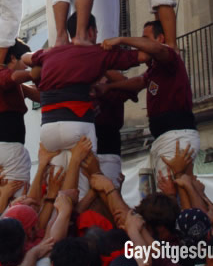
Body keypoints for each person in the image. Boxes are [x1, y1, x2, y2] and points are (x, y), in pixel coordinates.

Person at [21, 12, 147, 183]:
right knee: (89, 186)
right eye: (95, 32)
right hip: (80, 127)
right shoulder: (95, 54)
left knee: (60, 186)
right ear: (90, 31)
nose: (96, 37)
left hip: (51, 128)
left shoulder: (54, 55)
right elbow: (144, 57)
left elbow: (25, 58)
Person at [99, 20, 200, 181]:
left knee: (175, 188)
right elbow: (139, 81)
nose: (142, 45)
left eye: (146, 39)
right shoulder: (154, 69)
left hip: (175, 135)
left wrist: (121, 39)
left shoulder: (169, 57)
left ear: (160, 38)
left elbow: (157, 49)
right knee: (173, 188)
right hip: (166, 136)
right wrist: (109, 87)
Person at [0, 38, 39, 183]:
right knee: (18, 190)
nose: (26, 68)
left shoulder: (6, 83)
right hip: (8, 145)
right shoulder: (1, 75)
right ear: (13, 58)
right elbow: (14, 76)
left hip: (0, 145)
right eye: (25, 63)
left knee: (10, 190)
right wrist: (33, 74)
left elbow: (38, 95)